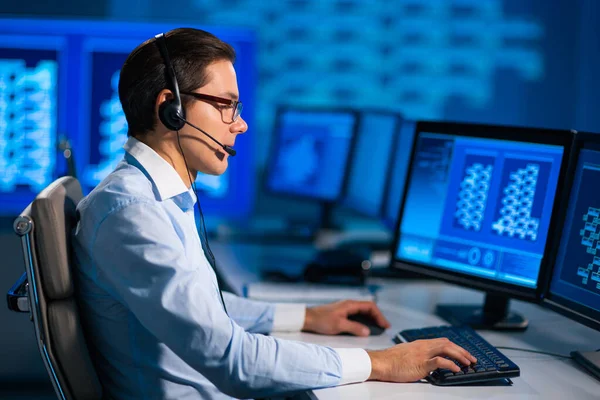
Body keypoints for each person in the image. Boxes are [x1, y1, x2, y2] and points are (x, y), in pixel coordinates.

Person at [72, 28, 476, 400]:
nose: (241, 125)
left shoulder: (150, 198)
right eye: (226, 106)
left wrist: (307, 315)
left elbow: (206, 310)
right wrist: (380, 362)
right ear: (170, 109)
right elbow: (233, 360)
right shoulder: (133, 212)